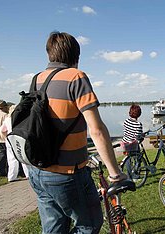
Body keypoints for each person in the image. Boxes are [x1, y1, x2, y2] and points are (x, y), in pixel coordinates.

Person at [27, 31, 126, 234]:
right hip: (67, 174)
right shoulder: (76, 77)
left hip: (38, 171)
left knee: (53, 228)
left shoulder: (37, 79)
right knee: (89, 224)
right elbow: (97, 130)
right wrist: (115, 174)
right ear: (76, 56)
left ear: (50, 54)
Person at [0, 105, 29, 182]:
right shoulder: (19, 118)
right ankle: (28, 173)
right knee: (22, 156)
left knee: (11, 158)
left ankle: (12, 176)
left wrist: (6, 137)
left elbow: (2, 130)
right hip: (18, 139)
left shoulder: (7, 119)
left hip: (9, 139)